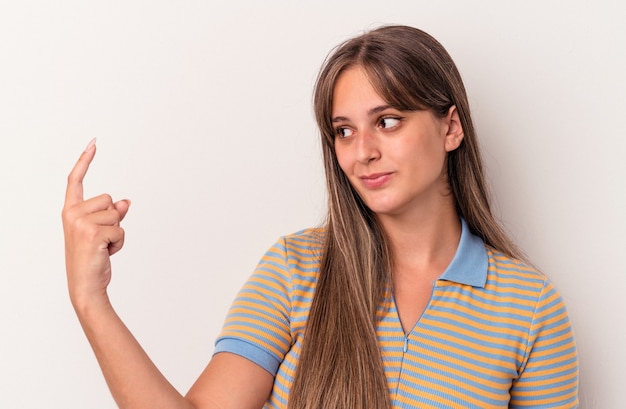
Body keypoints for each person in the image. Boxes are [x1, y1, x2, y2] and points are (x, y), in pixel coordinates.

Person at [62, 25, 579, 409]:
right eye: (344, 131)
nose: (363, 151)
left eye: (389, 120)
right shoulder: (296, 268)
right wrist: (92, 301)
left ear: (450, 128)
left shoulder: (529, 307)